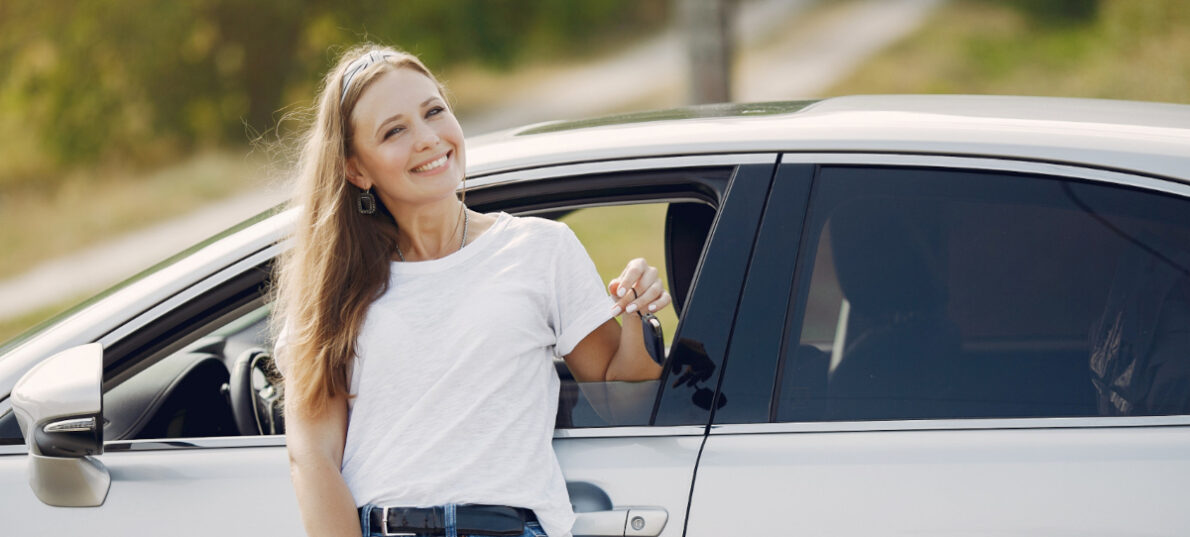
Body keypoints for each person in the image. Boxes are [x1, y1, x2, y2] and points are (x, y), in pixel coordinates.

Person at [271, 44, 671, 537]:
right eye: (395, 130)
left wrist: (635, 312)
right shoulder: (332, 291)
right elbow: (312, 459)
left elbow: (624, 403)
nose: (427, 139)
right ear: (357, 169)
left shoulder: (540, 249)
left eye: (434, 111)